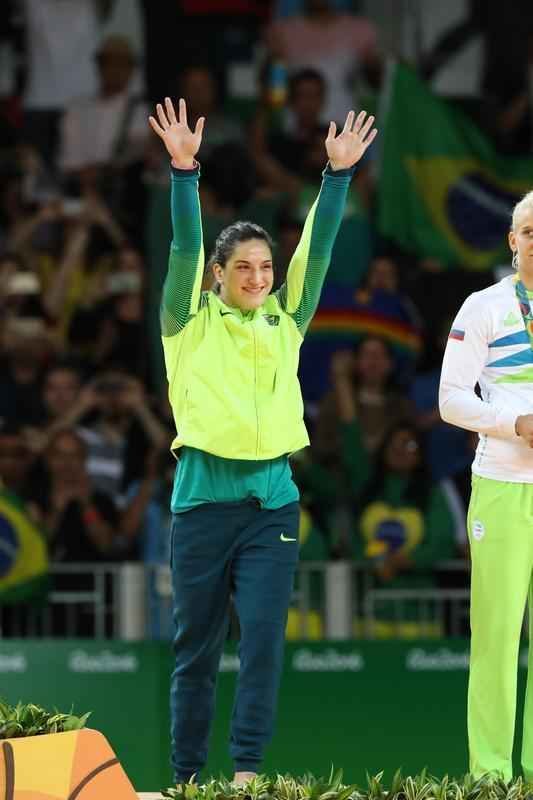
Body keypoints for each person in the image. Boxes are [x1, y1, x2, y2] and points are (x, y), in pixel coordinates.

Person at [148, 95, 377, 784]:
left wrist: (335, 178)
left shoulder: (288, 319)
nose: (256, 278)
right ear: (217, 275)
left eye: (265, 269)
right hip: (199, 507)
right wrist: (184, 172)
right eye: (242, 268)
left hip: (271, 504)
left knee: (264, 650)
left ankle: (246, 775)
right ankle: (187, 778)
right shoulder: (186, 320)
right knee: (194, 653)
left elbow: (320, 246)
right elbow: (187, 243)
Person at [439, 189, 533, 781]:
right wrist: (514, 423)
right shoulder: (484, 307)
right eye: (530, 232)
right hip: (501, 485)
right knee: (497, 639)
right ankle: (492, 776)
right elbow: (449, 400)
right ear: (513, 241)